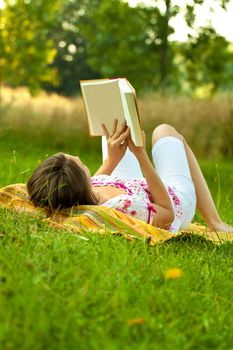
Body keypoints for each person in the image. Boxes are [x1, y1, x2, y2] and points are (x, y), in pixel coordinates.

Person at [27, 120, 233, 233]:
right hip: (175, 202)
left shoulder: (84, 194)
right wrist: (140, 154)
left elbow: (96, 185)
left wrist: (111, 161)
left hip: (132, 187)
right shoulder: (124, 207)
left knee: (112, 127)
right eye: (79, 163)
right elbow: (167, 212)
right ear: (80, 178)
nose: (79, 158)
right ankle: (215, 222)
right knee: (165, 131)